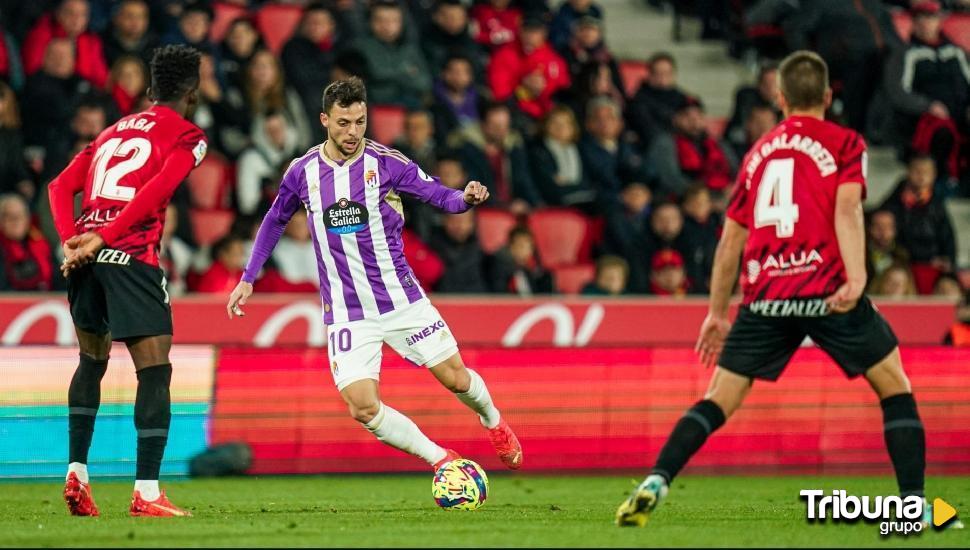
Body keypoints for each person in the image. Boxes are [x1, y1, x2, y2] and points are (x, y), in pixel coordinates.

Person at [617, 51, 931, 527]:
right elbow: (847, 210)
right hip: (827, 288)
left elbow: (730, 241)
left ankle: (657, 479)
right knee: (894, 386)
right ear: (828, 96)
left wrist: (717, 313)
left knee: (718, 398)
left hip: (765, 296)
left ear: (781, 98)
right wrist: (857, 275)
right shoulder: (846, 143)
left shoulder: (757, 153)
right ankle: (913, 505)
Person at [226, 77, 523, 476]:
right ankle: (442, 460)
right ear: (324, 121)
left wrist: (464, 199)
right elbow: (275, 219)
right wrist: (249, 276)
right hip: (348, 311)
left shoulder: (387, 163)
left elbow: (437, 194)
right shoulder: (303, 172)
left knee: (455, 379)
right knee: (362, 406)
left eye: (360, 122)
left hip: (400, 299)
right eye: (344, 123)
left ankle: (492, 419)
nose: (353, 132)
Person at [47, 44, 207, 518]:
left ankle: (77, 473)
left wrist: (72, 240)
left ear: (152, 86)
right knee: (155, 372)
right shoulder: (187, 135)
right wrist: (105, 238)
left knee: (91, 362)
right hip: (130, 257)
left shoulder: (111, 131)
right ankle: (148, 492)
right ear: (192, 91)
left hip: (88, 261)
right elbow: (156, 192)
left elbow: (59, 187)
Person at [0, 194, 54, 291]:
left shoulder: (41, 243)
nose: (15, 221)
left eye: (20, 215)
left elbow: (57, 282)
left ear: (27, 219)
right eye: (9, 216)